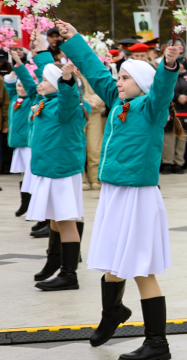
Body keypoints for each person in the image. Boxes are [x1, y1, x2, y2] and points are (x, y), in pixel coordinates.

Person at [57, 20, 182, 360]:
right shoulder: (117, 103)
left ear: (142, 85)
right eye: (120, 76)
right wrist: (74, 40)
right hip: (114, 192)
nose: (118, 82)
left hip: (138, 196)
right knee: (112, 259)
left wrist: (169, 65)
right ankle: (112, 312)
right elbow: (97, 73)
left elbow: (163, 89)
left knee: (141, 268)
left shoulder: (151, 108)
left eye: (125, 78)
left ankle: (157, 342)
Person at [21, 36, 90, 292]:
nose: (40, 84)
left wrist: (68, 80)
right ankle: (55, 262)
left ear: (58, 85)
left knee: (66, 220)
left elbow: (69, 97)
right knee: (54, 219)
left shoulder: (65, 106)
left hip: (60, 171)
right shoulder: (44, 102)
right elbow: (35, 82)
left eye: (46, 81)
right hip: (48, 169)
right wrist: (36, 55)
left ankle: (69, 274)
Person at [5, 55, 36, 216]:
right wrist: (13, 71)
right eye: (19, 86)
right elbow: (9, 83)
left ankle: (31, 205)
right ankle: (25, 203)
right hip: (19, 144)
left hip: (28, 143)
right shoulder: (15, 98)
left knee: (31, 175)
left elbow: (30, 87)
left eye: (23, 86)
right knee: (24, 174)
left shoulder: (31, 100)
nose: (20, 88)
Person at [162, 65, 187, 175]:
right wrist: (177, 97)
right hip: (171, 109)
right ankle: (167, 163)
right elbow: (164, 89)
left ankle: (179, 162)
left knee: (182, 138)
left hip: (186, 110)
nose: (180, 67)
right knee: (169, 138)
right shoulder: (167, 76)